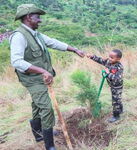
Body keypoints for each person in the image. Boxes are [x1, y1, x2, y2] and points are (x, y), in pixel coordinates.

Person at [9, 4, 85, 150]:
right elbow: (16, 62)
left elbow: (53, 42)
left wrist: (74, 49)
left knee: (37, 104)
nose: (40, 20)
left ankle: (39, 135)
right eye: (37, 17)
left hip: (39, 77)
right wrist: (42, 71)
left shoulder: (35, 34)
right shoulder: (19, 36)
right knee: (46, 108)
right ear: (28, 17)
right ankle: (49, 145)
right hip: (32, 80)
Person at [87, 49, 123, 123]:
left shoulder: (119, 67)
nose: (109, 58)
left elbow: (117, 78)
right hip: (112, 85)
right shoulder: (108, 62)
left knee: (115, 101)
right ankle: (120, 110)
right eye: (109, 56)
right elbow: (100, 60)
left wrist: (108, 73)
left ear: (118, 59)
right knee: (117, 98)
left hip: (117, 87)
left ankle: (116, 116)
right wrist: (92, 57)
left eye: (112, 58)